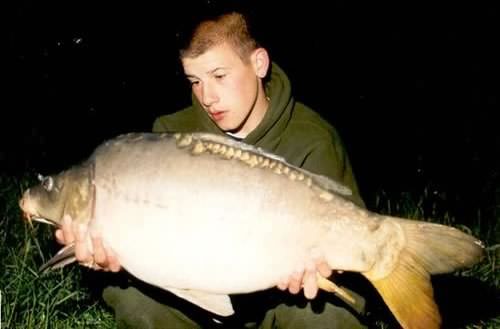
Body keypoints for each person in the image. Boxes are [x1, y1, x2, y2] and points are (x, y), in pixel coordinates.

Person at [55, 7, 368, 329]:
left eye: (219, 76)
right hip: (200, 301)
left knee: (329, 313)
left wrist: (324, 268)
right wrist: (115, 254)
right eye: (195, 81)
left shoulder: (312, 137)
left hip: (282, 301)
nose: (207, 96)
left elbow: (349, 238)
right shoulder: (170, 136)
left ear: (258, 64)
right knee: (131, 295)